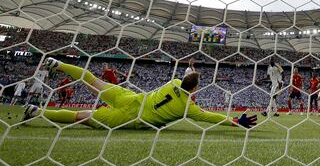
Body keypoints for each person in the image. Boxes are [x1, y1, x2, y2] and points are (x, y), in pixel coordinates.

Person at [23, 58, 257, 129]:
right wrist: (235, 122)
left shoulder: (174, 82)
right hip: (129, 119)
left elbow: (187, 78)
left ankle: (58, 64)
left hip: (129, 98)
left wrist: (192, 71)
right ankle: (36, 112)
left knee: (92, 80)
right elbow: (211, 117)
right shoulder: (189, 108)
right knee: (82, 116)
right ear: (195, 90)